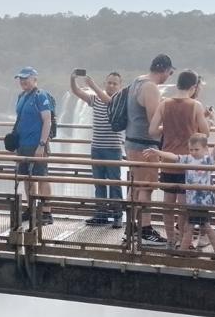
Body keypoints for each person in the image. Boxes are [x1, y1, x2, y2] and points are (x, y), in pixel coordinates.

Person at [147, 70, 211, 247]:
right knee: (183, 207)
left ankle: (169, 239)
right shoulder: (195, 105)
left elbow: (152, 131)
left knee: (168, 204)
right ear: (193, 87)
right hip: (186, 163)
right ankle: (184, 239)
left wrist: (165, 129)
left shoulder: (164, 104)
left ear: (177, 84)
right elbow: (205, 133)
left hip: (167, 162)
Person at [143, 131, 215, 257]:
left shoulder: (208, 160)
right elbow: (173, 156)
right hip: (192, 201)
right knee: (195, 226)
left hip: (202, 202)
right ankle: (214, 251)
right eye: (191, 149)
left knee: (198, 227)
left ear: (205, 149)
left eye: (196, 149)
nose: (193, 152)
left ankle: (189, 251)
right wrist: (158, 152)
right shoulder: (188, 159)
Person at [124, 54, 175, 246]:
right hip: (145, 145)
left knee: (135, 186)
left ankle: (130, 227)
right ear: (165, 70)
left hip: (131, 142)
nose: (169, 77)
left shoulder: (137, 81)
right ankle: (145, 230)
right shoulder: (151, 87)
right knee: (146, 187)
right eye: (170, 73)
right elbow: (154, 123)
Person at [69, 69, 124, 227]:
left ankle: (117, 216)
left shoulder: (120, 100)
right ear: (105, 83)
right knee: (99, 183)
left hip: (113, 149)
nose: (111, 85)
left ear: (120, 86)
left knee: (114, 183)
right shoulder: (95, 99)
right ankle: (101, 215)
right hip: (97, 147)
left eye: (115, 83)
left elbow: (109, 102)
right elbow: (77, 91)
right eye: (109, 82)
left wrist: (93, 86)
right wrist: (73, 79)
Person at [13, 67, 54, 226]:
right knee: (26, 178)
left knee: (42, 177)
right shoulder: (21, 96)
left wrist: (42, 144)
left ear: (34, 79)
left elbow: (47, 121)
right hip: (23, 144)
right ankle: (31, 209)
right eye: (21, 78)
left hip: (37, 144)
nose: (23, 81)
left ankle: (46, 212)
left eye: (26, 78)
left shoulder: (40, 96)